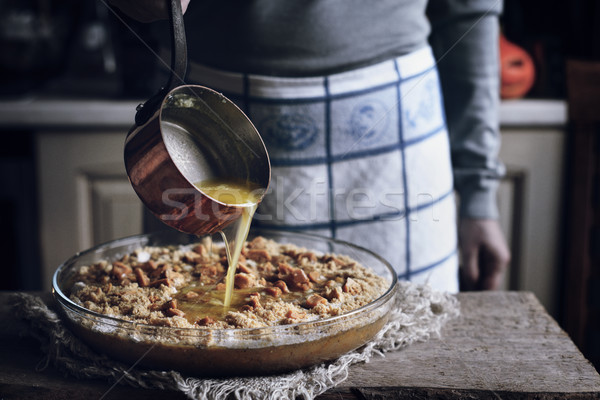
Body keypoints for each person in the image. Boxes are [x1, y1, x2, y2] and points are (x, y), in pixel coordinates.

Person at [110, 0, 510, 292]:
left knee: (406, 348)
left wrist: (478, 193)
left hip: (393, 118)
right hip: (209, 122)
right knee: (187, 324)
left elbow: (467, 11)